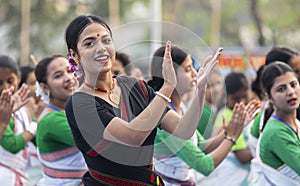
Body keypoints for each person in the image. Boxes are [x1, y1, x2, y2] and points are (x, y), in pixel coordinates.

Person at [64, 14, 222, 185]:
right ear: (74, 55)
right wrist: (167, 87)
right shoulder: (79, 104)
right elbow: (133, 136)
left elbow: (183, 130)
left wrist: (200, 89)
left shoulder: (136, 87)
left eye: (106, 40)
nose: (101, 48)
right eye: (89, 43)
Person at [147, 45, 259, 185]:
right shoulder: (163, 114)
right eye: (188, 69)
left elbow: (200, 146)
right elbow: (204, 165)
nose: (195, 73)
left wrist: (228, 131)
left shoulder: (181, 107)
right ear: (170, 74)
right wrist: (232, 137)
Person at [34, 55, 87, 185]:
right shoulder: (51, 121)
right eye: (58, 76)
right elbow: (98, 142)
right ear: (45, 87)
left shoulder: (71, 112)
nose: (68, 78)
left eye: (69, 71)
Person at [257, 61, 300, 184]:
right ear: (269, 97)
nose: (291, 92)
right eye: (281, 89)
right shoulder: (275, 132)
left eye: (293, 84)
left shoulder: (294, 123)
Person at [210, 72, 254, 186]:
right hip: (232, 178)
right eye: (236, 98)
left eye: (245, 96)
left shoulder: (243, 113)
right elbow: (242, 156)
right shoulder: (229, 116)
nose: (242, 102)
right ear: (226, 97)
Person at [0, 55, 37, 186]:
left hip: (20, 175)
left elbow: (38, 141)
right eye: (0, 82)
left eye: (10, 81)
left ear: (19, 78)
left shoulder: (23, 109)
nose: (5, 88)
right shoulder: (2, 110)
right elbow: (12, 145)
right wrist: (35, 125)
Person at [197, 69, 223, 139]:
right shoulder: (203, 113)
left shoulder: (216, 110)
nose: (216, 89)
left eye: (218, 83)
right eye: (210, 86)